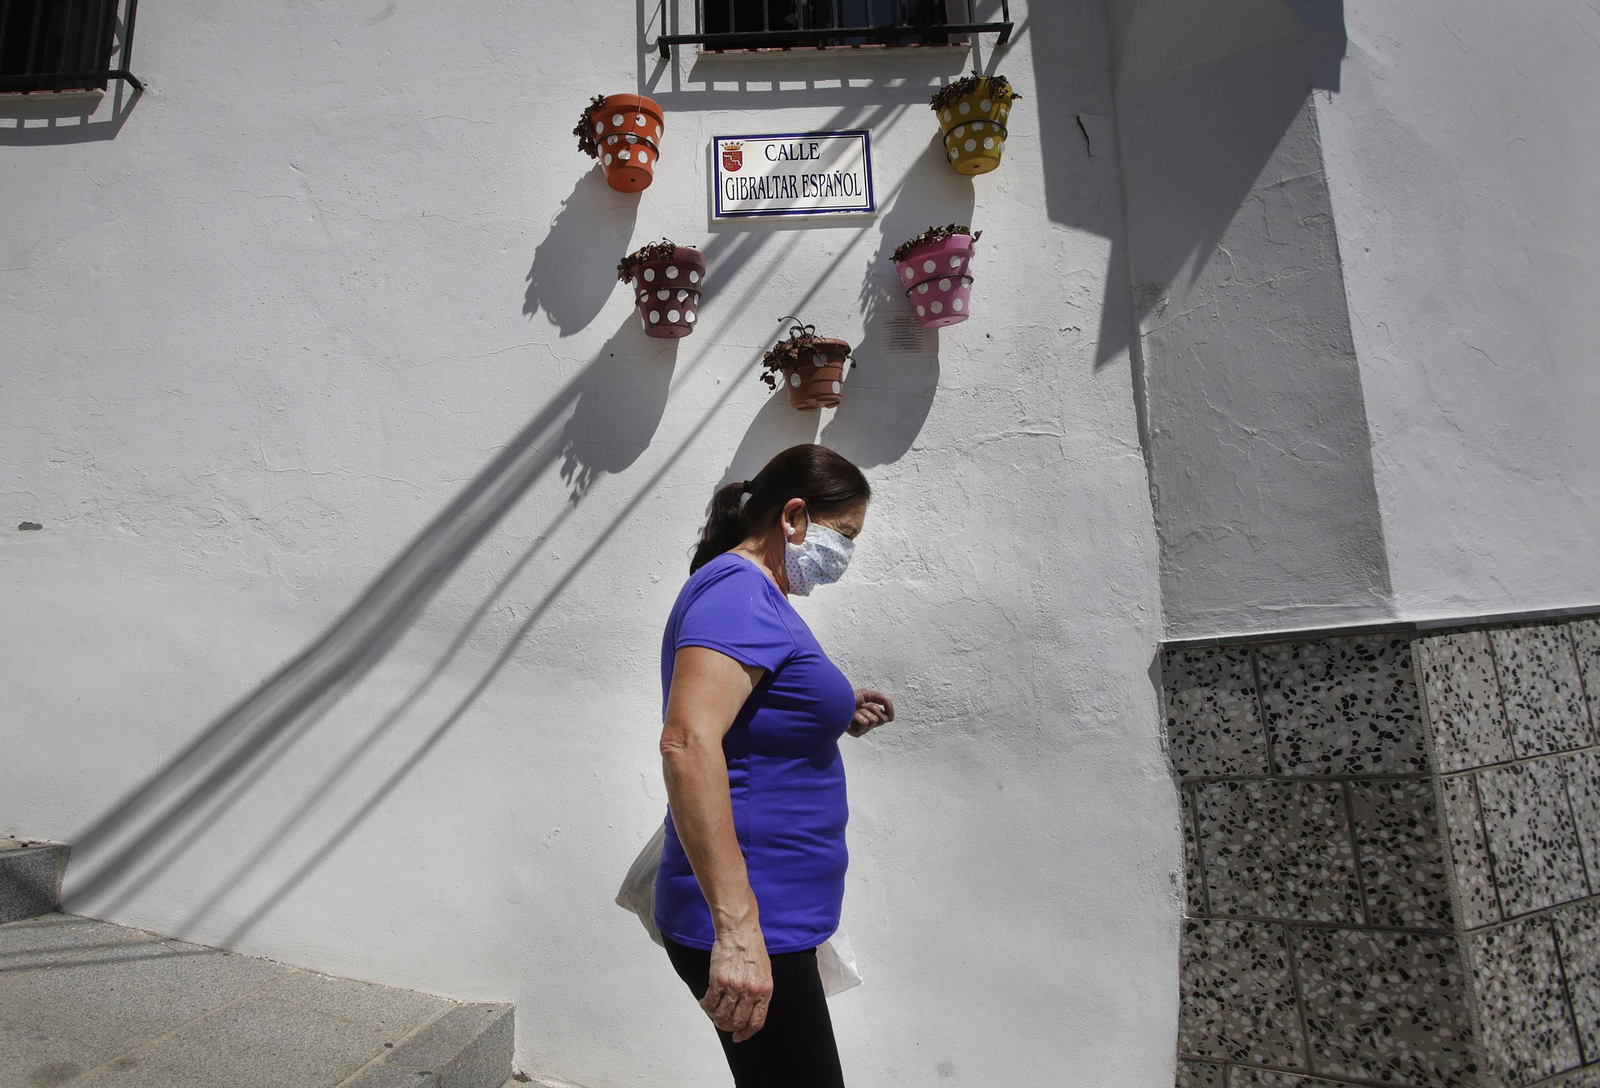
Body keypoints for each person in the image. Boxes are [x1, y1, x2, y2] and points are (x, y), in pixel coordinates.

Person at [655, 443, 895, 1088]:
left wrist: (834, 708)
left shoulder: (750, 593)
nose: (846, 553)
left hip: (776, 912)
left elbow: (752, 709)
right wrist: (736, 931)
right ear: (793, 517)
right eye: (844, 535)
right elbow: (687, 743)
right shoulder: (740, 593)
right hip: (753, 917)